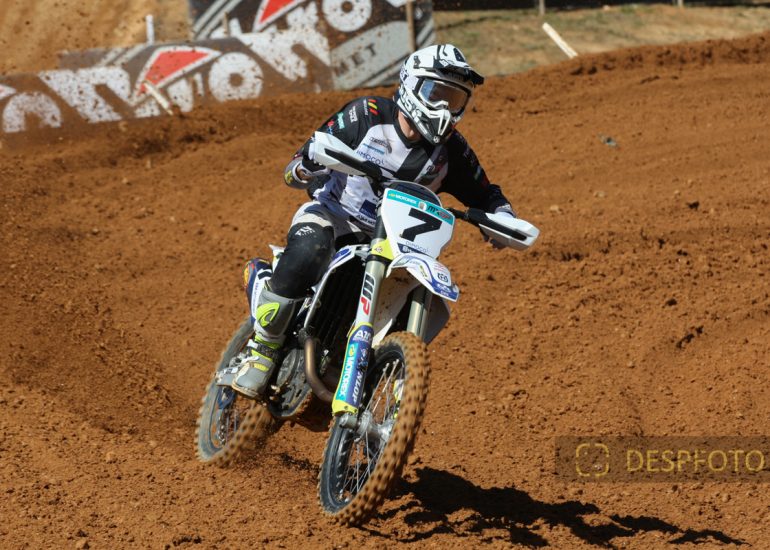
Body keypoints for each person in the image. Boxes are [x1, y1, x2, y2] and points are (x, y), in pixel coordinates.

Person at [232, 43, 517, 398]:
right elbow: (299, 164)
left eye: (455, 100)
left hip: (392, 245)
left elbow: (486, 193)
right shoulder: (366, 114)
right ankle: (263, 347)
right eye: (437, 94)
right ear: (412, 85)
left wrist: (502, 218)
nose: (445, 108)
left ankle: (374, 373)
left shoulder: (451, 152)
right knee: (310, 249)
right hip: (333, 217)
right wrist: (306, 166)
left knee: (415, 294)